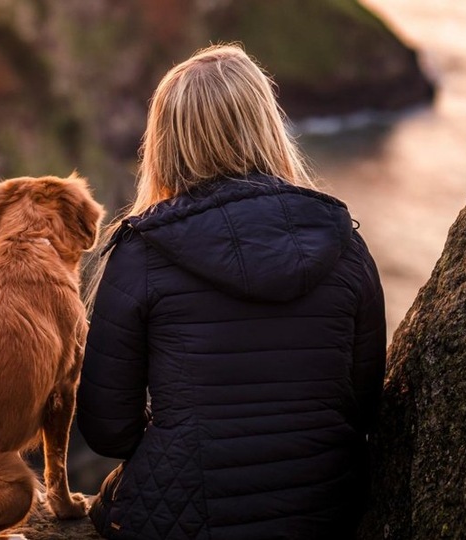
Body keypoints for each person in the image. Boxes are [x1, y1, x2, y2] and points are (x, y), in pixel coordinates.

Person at [76, 44, 387, 540]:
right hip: (325, 510)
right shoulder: (344, 243)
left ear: (165, 142)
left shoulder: (143, 252)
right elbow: (365, 406)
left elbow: (108, 430)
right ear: (266, 123)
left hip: (185, 518)